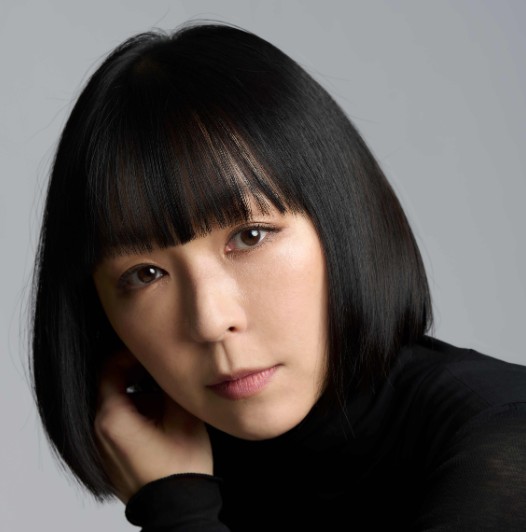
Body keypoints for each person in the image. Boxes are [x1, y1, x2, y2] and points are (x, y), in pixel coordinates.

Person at [32, 22, 526, 531]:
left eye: (250, 236)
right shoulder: (190, 465)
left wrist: (177, 513)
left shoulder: (502, 437)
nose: (210, 321)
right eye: (146, 273)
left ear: (342, 223)